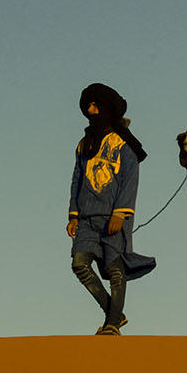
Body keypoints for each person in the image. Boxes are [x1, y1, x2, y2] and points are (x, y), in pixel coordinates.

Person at [67, 83, 156, 335]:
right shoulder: (84, 144)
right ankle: (114, 312)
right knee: (79, 264)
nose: (91, 110)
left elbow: (130, 178)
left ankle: (113, 324)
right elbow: (77, 179)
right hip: (86, 218)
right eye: (88, 106)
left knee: (114, 269)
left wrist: (121, 212)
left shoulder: (123, 143)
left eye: (96, 105)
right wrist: (73, 213)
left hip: (113, 217)